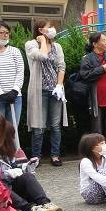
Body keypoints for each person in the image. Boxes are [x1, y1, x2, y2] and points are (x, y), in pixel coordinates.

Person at [0, 119, 61, 211]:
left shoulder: (7, 152)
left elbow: (16, 168)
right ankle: (31, 209)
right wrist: (7, 174)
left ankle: (45, 203)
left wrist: (26, 166)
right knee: (0, 184)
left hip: (13, 189)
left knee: (28, 176)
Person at [23, 19, 68, 166]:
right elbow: (42, 56)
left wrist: (60, 85)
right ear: (41, 30)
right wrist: (43, 41)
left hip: (55, 91)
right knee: (39, 126)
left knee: (55, 125)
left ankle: (55, 155)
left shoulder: (58, 46)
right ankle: (36, 156)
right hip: (39, 90)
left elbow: (61, 66)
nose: (53, 29)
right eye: (50, 27)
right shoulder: (31, 45)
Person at [79, 32, 106, 146]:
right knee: (97, 131)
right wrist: (102, 69)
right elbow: (85, 75)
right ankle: (97, 153)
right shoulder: (87, 59)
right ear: (95, 44)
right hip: (96, 100)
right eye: (103, 40)